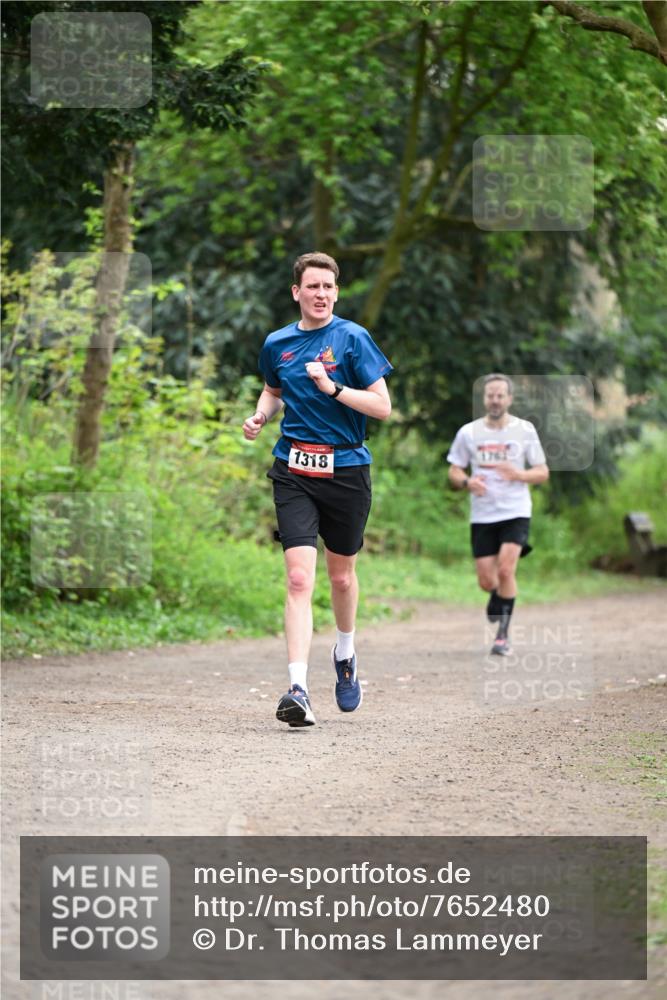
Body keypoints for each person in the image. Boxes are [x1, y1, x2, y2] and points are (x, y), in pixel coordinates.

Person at [242, 252, 393, 727]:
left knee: (341, 577)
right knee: (298, 579)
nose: (321, 294)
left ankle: (345, 654)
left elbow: (382, 407)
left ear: (336, 292)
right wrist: (261, 415)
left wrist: (332, 389)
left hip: (346, 469)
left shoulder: (352, 338)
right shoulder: (278, 343)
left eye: (328, 287)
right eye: (312, 287)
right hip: (293, 468)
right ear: (297, 292)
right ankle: (298, 689)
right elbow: (273, 388)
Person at [447, 374, 549, 655]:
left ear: (509, 399)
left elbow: (542, 472)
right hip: (483, 514)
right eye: (490, 395)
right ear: (484, 399)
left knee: (506, 570)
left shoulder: (524, 430)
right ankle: (495, 595)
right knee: (487, 580)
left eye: (500, 395)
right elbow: (454, 470)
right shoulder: (469, 433)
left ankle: (503, 636)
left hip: (516, 510)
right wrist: (468, 482)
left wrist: (519, 474)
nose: (495, 400)